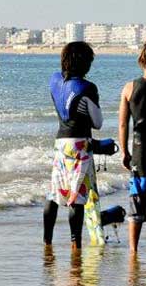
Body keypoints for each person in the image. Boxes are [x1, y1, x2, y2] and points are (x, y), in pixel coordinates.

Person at [44, 42, 103, 251]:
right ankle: (75, 245)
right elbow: (98, 123)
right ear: (84, 62)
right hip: (80, 145)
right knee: (76, 196)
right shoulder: (87, 88)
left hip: (60, 143)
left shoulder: (54, 80)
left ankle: (47, 242)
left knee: (54, 192)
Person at [118, 41, 146, 253]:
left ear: (141, 61)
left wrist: (124, 152)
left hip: (139, 150)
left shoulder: (129, 88)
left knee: (137, 200)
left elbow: (123, 123)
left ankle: (133, 252)